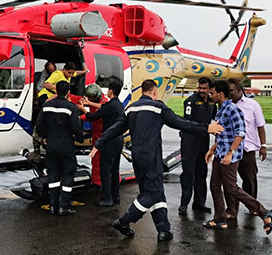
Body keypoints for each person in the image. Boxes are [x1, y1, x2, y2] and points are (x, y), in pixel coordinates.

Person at [91, 79, 224, 242]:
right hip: (151, 156)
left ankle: (164, 230)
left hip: (137, 157)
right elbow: (180, 122)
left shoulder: (131, 108)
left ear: (142, 92)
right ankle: (124, 222)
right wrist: (206, 128)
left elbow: (116, 127)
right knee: (151, 193)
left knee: (157, 192)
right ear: (154, 92)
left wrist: (99, 142)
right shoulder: (158, 107)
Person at [203, 80, 272, 234]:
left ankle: (264, 212)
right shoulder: (221, 110)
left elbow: (240, 133)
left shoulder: (232, 110)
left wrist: (230, 153)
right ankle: (220, 219)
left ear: (220, 94)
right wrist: (212, 149)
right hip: (220, 154)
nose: (210, 95)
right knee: (215, 186)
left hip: (229, 157)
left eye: (212, 93)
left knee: (232, 188)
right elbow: (223, 134)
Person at [36, 80, 83, 216]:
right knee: (68, 174)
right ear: (68, 92)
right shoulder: (70, 108)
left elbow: (39, 125)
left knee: (53, 175)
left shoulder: (46, 106)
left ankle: (53, 206)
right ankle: (65, 206)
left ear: (55, 91)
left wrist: (45, 137)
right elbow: (76, 128)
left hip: (51, 146)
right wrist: (79, 139)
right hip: (66, 146)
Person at [78, 79, 125, 206]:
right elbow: (102, 107)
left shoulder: (110, 106)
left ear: (110, 91)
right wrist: (88, 103)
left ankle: (107, 199)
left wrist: (83, 109)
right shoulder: (118, 105)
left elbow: (93, 117)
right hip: (119, 140)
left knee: (105, 169)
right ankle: (116, 196)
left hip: (109, 141)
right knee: (115, 170)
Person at [178, 77, 217, 215]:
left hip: (203, 141)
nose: (201, 90)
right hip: (190, 141)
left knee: (202, 172)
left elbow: (215, 119)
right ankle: (184, 204)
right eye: (199, 88)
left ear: (209, 89)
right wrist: (206, 127)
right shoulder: (190, 101)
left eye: (204, 88)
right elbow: (187, 123)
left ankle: (199, 203)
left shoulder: (212, 102)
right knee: (188, 173)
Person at [227, 78, 267, 209]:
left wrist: (263, 145)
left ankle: (253, 206)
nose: (229, 94)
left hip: (247, 148)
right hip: (230, 149)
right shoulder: (225, 105)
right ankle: (232, 209)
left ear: (239, 90)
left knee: (249, 179)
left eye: (231, 91)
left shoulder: (252, 105)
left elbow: (260, 126)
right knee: (230, 182)